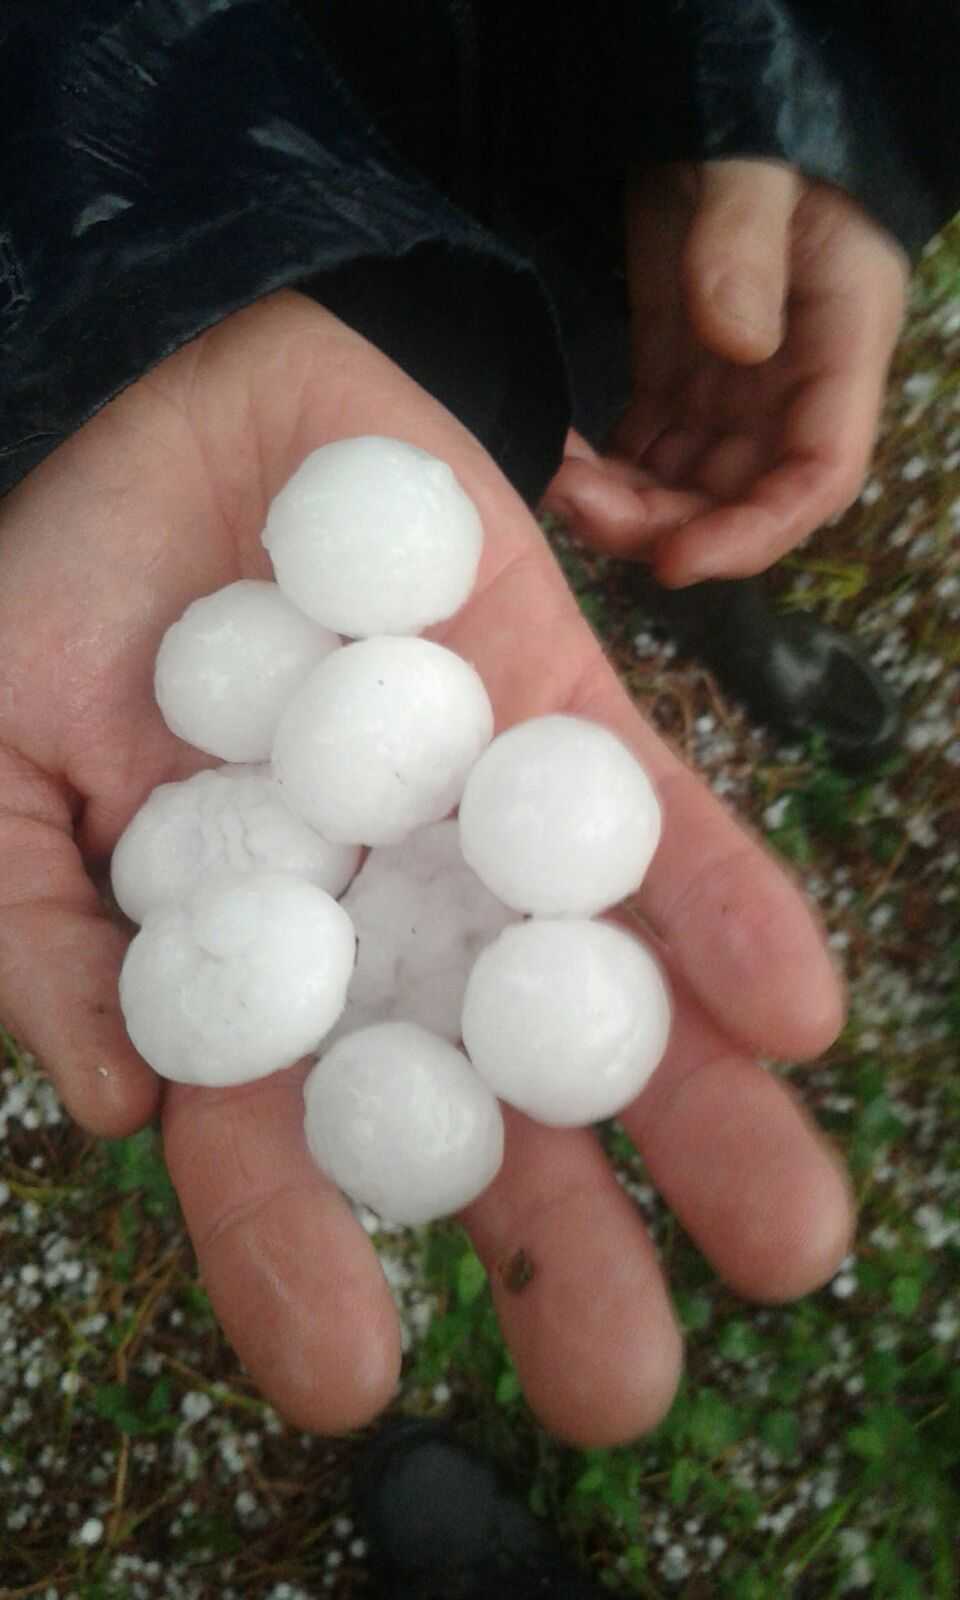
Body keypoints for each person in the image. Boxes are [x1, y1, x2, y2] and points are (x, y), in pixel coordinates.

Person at [0, 0, 957, 1475]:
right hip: (261, 180)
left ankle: (715, 593)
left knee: (636, 382)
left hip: (596, 150)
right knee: (566, 388)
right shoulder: (306, 757)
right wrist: (73, 321)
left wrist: (813, 90)